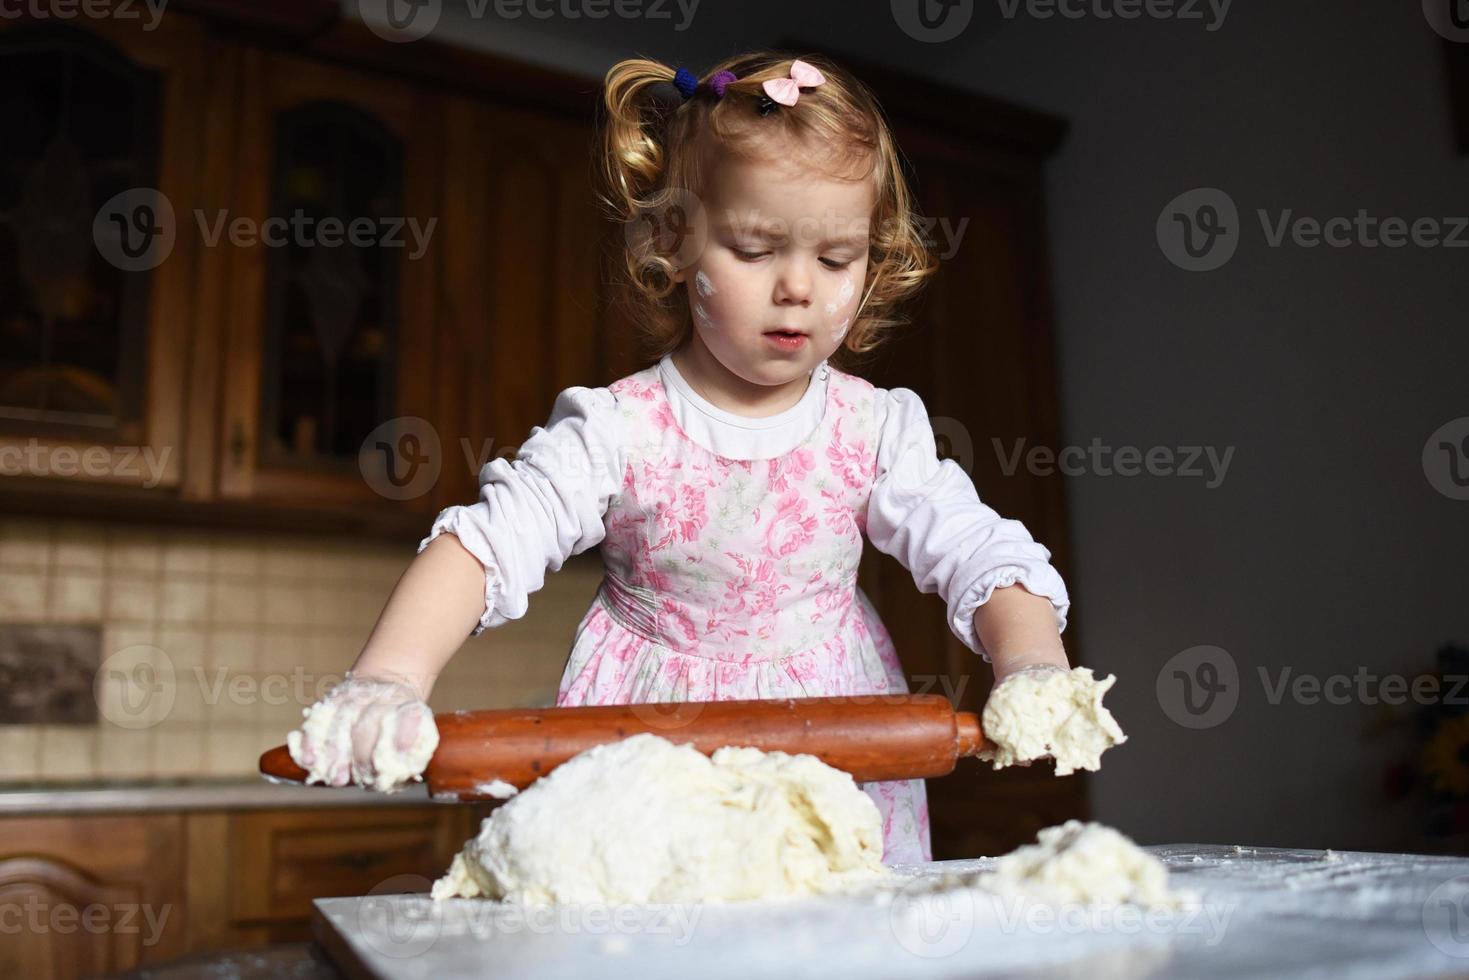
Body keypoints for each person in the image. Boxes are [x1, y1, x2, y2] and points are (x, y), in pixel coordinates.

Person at [287, 52, 1073, 864]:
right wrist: (387, 680)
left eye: (837, 258)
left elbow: (982, 553)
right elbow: (481, 549)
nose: (799, 286)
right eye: (754, 248)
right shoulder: (615, 430)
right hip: (647, 756)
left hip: (838, 752)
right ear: (674, 241)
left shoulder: (874, 431)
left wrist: (1032, 666)